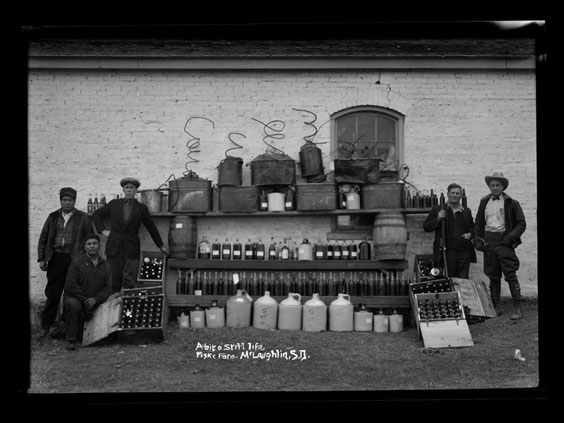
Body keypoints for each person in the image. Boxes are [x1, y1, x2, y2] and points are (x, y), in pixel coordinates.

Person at [92, 177, 168, 292]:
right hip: (114, 248)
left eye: (131, 188)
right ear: (123, 190)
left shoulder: (141, 208)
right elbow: (96, 214)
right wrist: (103, 230)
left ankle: (127, 307)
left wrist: (160, 245)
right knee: (113, 282)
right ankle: (113, 307)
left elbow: (151, 227)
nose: (129, 190)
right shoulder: (114, 204)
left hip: (131, 249)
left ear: (136, 191)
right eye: (126, 188)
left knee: (130, 282)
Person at [37, 187, 92, 340]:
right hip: (55, 258)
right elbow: (43, 238)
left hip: (74, 259)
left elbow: (90, 238)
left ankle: (67, 326)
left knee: (72, 293)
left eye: (70, 200)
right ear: (60, 201)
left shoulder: (83, 218)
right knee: (53, 294)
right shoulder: (53, 217)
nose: (67, 203)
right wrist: (42, 258)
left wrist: (86, 259)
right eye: (64, 200)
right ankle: (46, 327)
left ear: (75, 201)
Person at [474, 172, 526, 320]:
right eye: (492, 185)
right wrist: (478, 239)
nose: (495, 188)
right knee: (493, 275)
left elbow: (521, 224)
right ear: (489, 186)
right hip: (489, 242)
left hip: (504, 242)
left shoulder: (512, 203)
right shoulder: (484, 202)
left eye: (498, 185)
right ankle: (496, 307)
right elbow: (478, 223)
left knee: (510, 274)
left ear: (503, 187)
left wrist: (510, 238)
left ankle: (518, 308)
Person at [63, 233, 113, 350]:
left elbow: (108, 288)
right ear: (85, 247)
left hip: (94, 300)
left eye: (94, 243)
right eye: (89, 244)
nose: (92, 246)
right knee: (73, 304)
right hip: (77, 299)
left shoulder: (105, 265)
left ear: (99, 246)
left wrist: (96, 299)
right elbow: (71, 285)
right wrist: (85, 300)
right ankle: (71, 340)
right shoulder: (77, 262)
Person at [423, 183, 477, 279]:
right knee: (448, 279)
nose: (455, 195)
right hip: (446, 251)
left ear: (461, 196)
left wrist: (470, 234)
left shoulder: (466, 211)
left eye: (457, 193)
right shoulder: (438, 209)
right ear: (448, 194)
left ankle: (462, 295)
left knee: (463, 281)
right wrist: (438, 219)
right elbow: (426, 227)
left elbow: (473, 228)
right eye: (453, 193)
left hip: (464, 251)